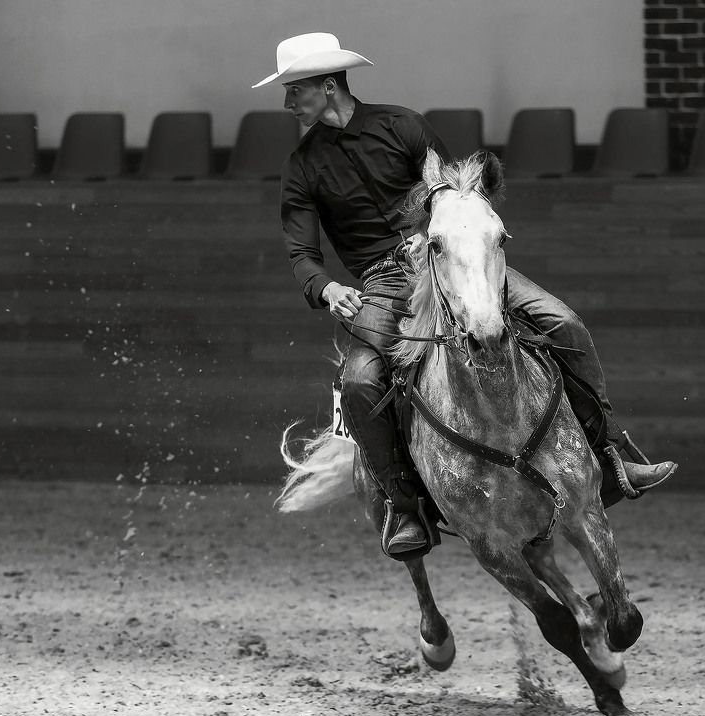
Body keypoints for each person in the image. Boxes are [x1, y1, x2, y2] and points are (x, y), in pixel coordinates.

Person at [255, 32, 676, 560]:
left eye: (296, 90)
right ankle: (403, 504)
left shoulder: (402, 126)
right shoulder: (302, 165)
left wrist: (434, 231)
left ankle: (610, 453)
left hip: (452, 259)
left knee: (563, 321)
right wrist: (329, 287)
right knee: (361, 381)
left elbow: (459, 191)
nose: (289, 102)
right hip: (382, 282)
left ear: (329, 83)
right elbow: (302, 253)